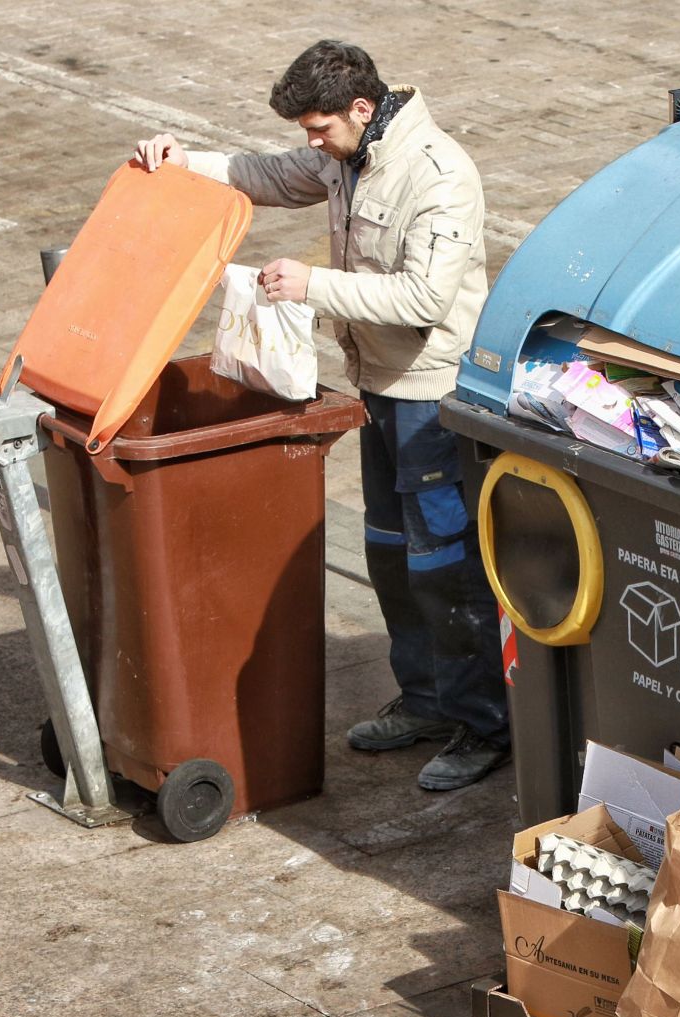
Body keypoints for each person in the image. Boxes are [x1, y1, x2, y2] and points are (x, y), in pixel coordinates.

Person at [135, 40, 509, 792]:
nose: (312, 143)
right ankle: (427, 702)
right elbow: (270, 174)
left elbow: (422, 300)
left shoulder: (439, 177)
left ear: (361, 110)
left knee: (443, 567)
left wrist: (313, 285)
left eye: (319, 128)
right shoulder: (348, 152)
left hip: (430, 397)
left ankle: (482, 725)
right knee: (389, 553)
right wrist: (183, 160)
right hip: (376, 387)